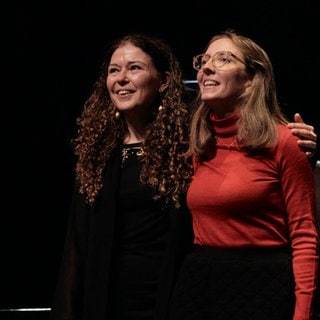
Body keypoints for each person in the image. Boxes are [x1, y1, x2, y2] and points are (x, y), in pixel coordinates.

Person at [49, 32, 318, 320]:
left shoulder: (190, 141)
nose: (122, 78)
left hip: (209, 288)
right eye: (114, 70)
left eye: (135, 68)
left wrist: (307, 151)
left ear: (163, 80)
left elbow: (304, 234)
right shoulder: (107, 151)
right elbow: (76, 243)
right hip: (168, 291)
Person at [168, 29, 319, 320]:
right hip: (201, 286)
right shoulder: (198, 144)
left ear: (251, 81)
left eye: (224, 59)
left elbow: (305, 238)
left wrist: (303, 313)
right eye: (204, 60)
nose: (207, 67)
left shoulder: (285, 141)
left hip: (263, 288)